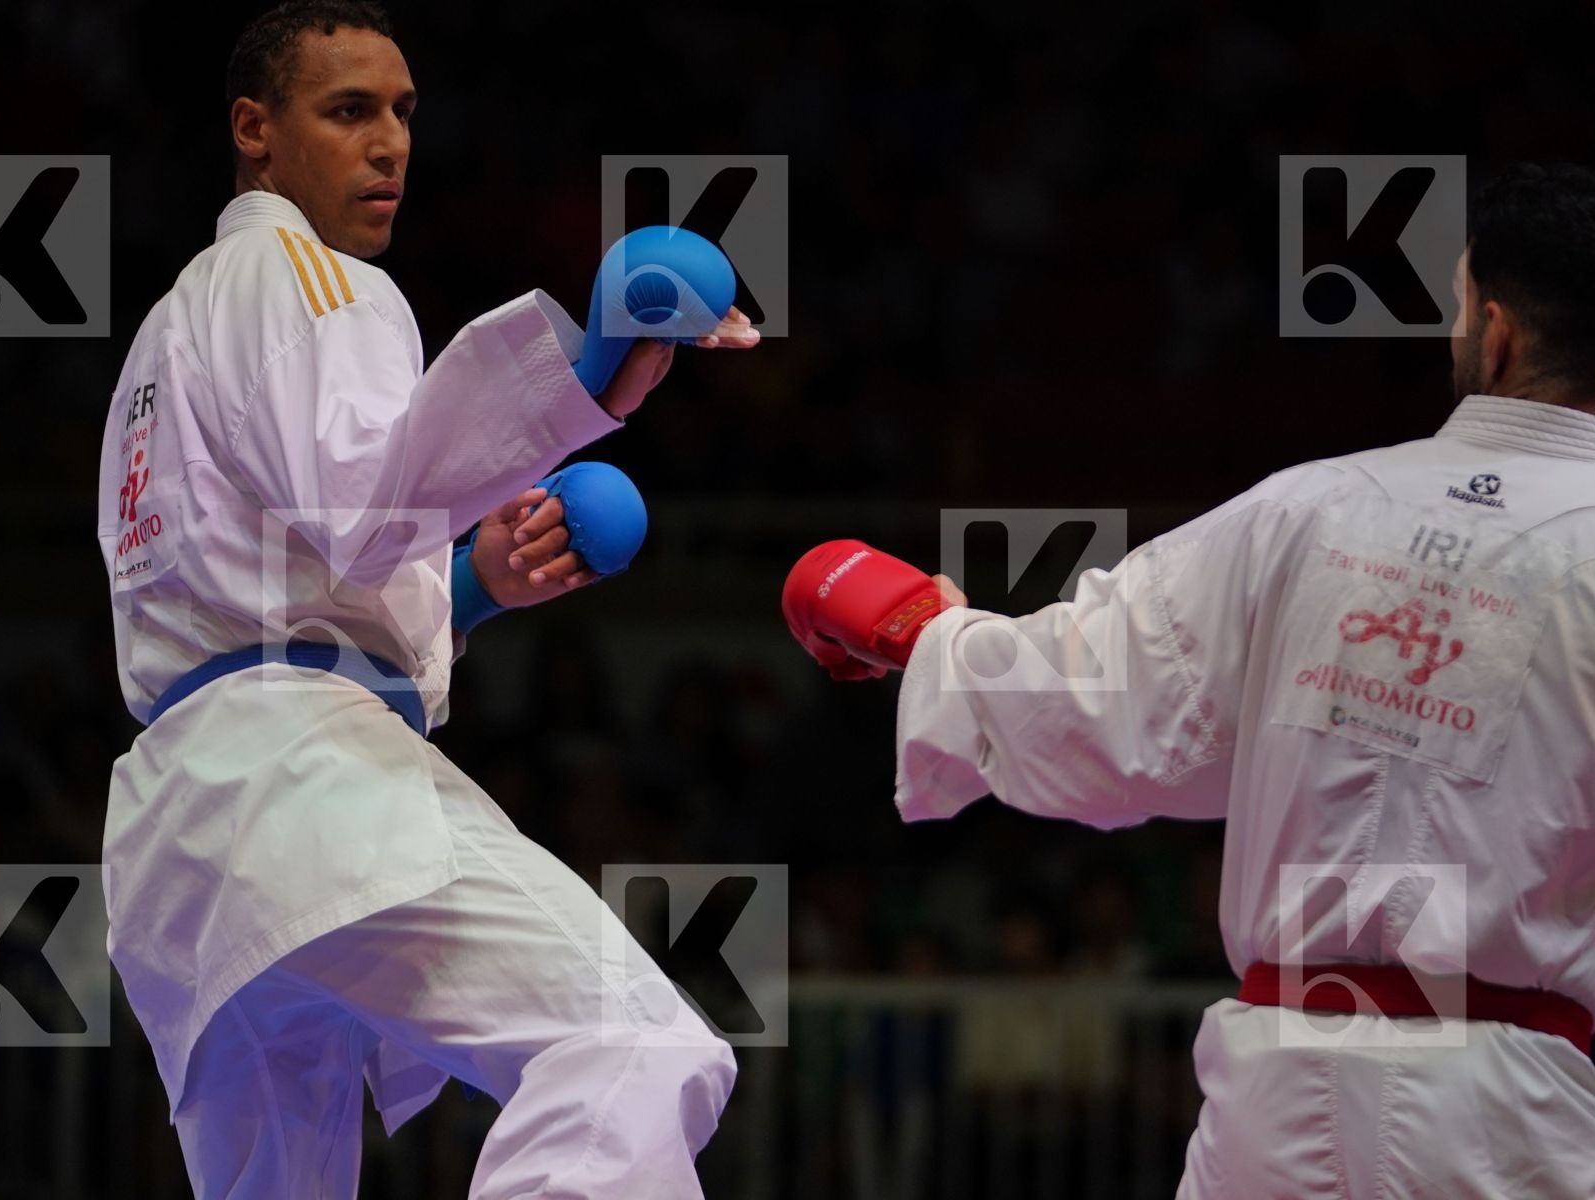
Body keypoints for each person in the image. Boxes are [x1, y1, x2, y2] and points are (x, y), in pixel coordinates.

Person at [783, 161, 1595, 1197]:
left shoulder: (1309, 509)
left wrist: (913, 630)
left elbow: (1100, 694)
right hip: (1517, 1115)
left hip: (1278, 1104)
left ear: (1494, 334)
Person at [95, 2, 758, 1195]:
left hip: (185, 837)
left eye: (403, 113)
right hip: (302, 790)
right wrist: (592, 368)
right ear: (255, 130)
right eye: (349, 111)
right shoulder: (303, 271)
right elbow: (358, 499)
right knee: (633, 1045)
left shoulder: (168, 332)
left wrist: (468, 585)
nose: (390, 142)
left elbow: (263, 592)